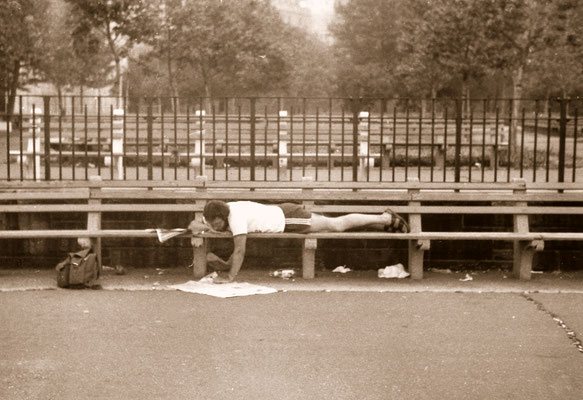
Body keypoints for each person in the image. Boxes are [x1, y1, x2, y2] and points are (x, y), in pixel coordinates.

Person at [188, 201, 409, 283]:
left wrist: (230, 277)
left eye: (216, 223)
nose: (215, 227)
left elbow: (239, 251)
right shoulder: (221, 212)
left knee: (336, 225)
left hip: (289, 219)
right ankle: (385, 222)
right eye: (212, 224)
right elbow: (194, 224)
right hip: (285, 213)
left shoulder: (235, 218)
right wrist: (200, 226)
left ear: (222, 216)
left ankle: (385, 218)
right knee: (335, 224)